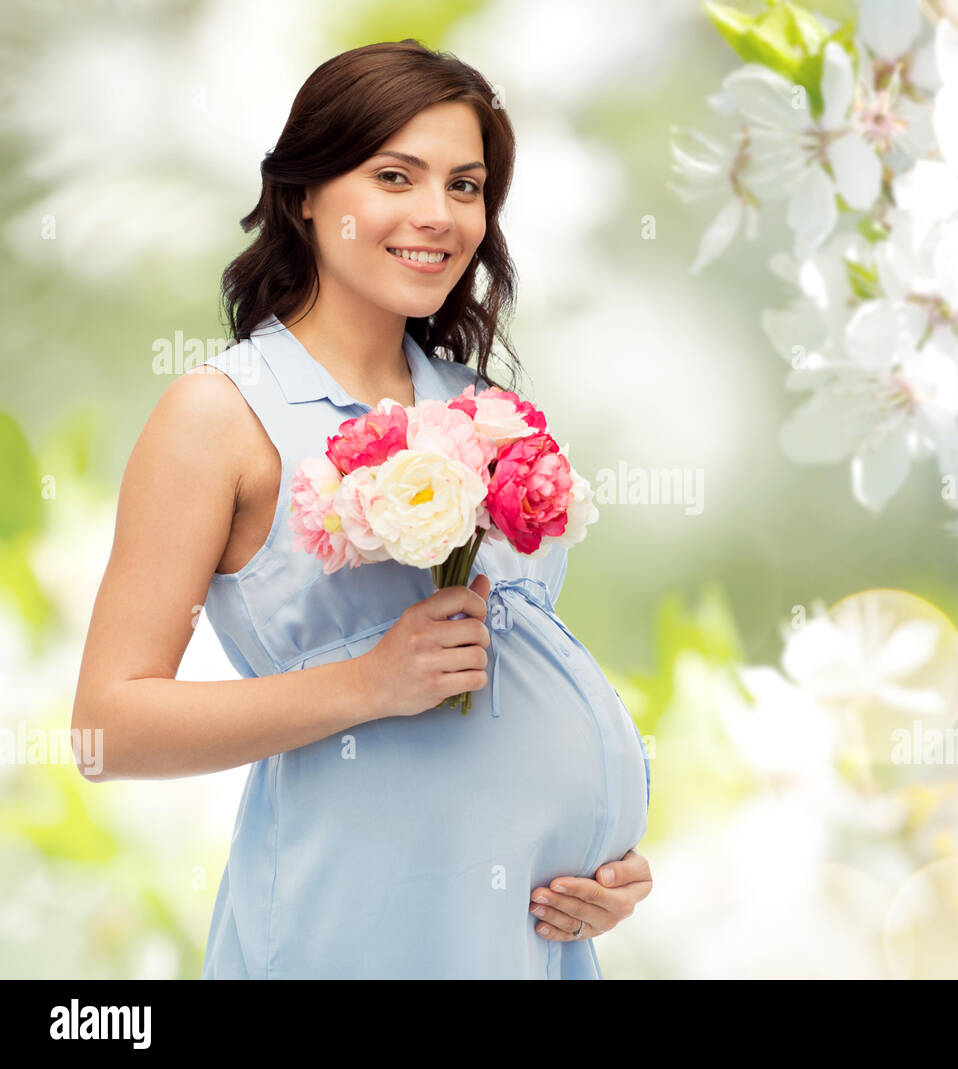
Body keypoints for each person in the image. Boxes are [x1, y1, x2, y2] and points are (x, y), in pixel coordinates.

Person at [71, 39, 653, 979]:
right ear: (304, 194)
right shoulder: (221, 416)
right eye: (396, 175)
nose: (439, 214)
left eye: (466, 186)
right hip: (353, 930)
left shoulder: (484, 411)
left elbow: (528, 685)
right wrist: (370, 683)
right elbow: (107, 728)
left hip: (525, 941)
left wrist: (606, 863)